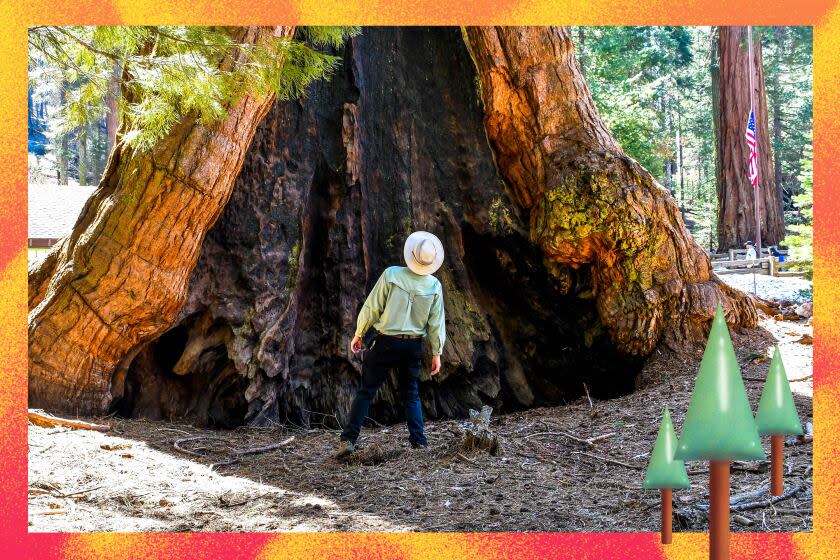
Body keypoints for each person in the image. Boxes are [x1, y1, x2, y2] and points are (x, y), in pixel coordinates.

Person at [336, 231, 446, 458]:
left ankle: (348, 440)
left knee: (366, 391)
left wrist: (359, 333)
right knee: (411, 394)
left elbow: (372, 308)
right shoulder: (434, 285)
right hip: (413, 346)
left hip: (385, 342)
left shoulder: (392, 275)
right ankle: (419, 441)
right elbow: (436, 323)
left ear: (411, 254)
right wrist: (437, 352)